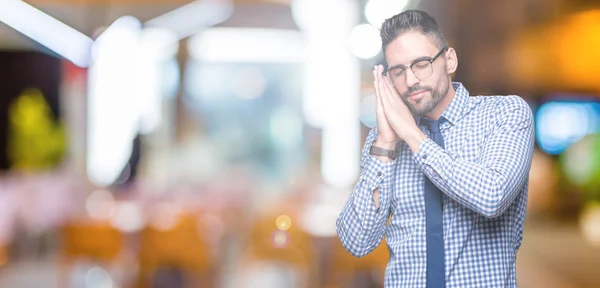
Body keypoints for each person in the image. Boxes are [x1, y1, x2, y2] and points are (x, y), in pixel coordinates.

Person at [336, 9, 535, 288]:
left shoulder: (504, 113)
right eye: (398, 70)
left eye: (421, 64)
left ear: (449, 60)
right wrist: (385, 144)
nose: (410, 80)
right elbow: (356, 242)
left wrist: (412, 135)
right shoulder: (385, 140)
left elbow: (492, 196)